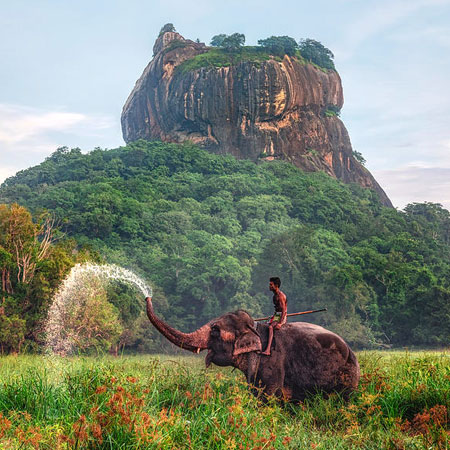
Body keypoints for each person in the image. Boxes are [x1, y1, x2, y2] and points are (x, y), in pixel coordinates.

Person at [261, 277, 287, 356]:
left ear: (276, 285)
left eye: (271, 285)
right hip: (277, 315)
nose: (269, 286)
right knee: (265, 324)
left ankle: (268, 350)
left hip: (281, 316)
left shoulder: (280, 296)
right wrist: (273, 317)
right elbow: (277, 311)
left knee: (270, 327)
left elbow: (283, 310)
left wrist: (280, 323)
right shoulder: (274, 296)